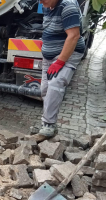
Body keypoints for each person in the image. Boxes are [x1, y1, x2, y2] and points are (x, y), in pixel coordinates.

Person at [38, 0, 86, 137]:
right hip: (49, 57)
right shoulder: (48, 5)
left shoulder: (67, 6)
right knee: (45, 90)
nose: (40, 1)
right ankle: (47, 123)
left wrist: (60, 62)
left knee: (55, 84)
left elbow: (73, 36)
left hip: (67, 55)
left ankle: (49, 125)